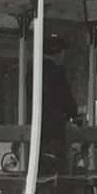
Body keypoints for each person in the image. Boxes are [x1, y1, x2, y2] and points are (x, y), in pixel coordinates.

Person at [40, 35, 82, 168]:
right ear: (59, 53)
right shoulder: (57, 73)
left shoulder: (33, 71)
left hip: (35, 128)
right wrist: (74, 112)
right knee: (60, 164)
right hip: (54, 130)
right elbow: (67, 102)